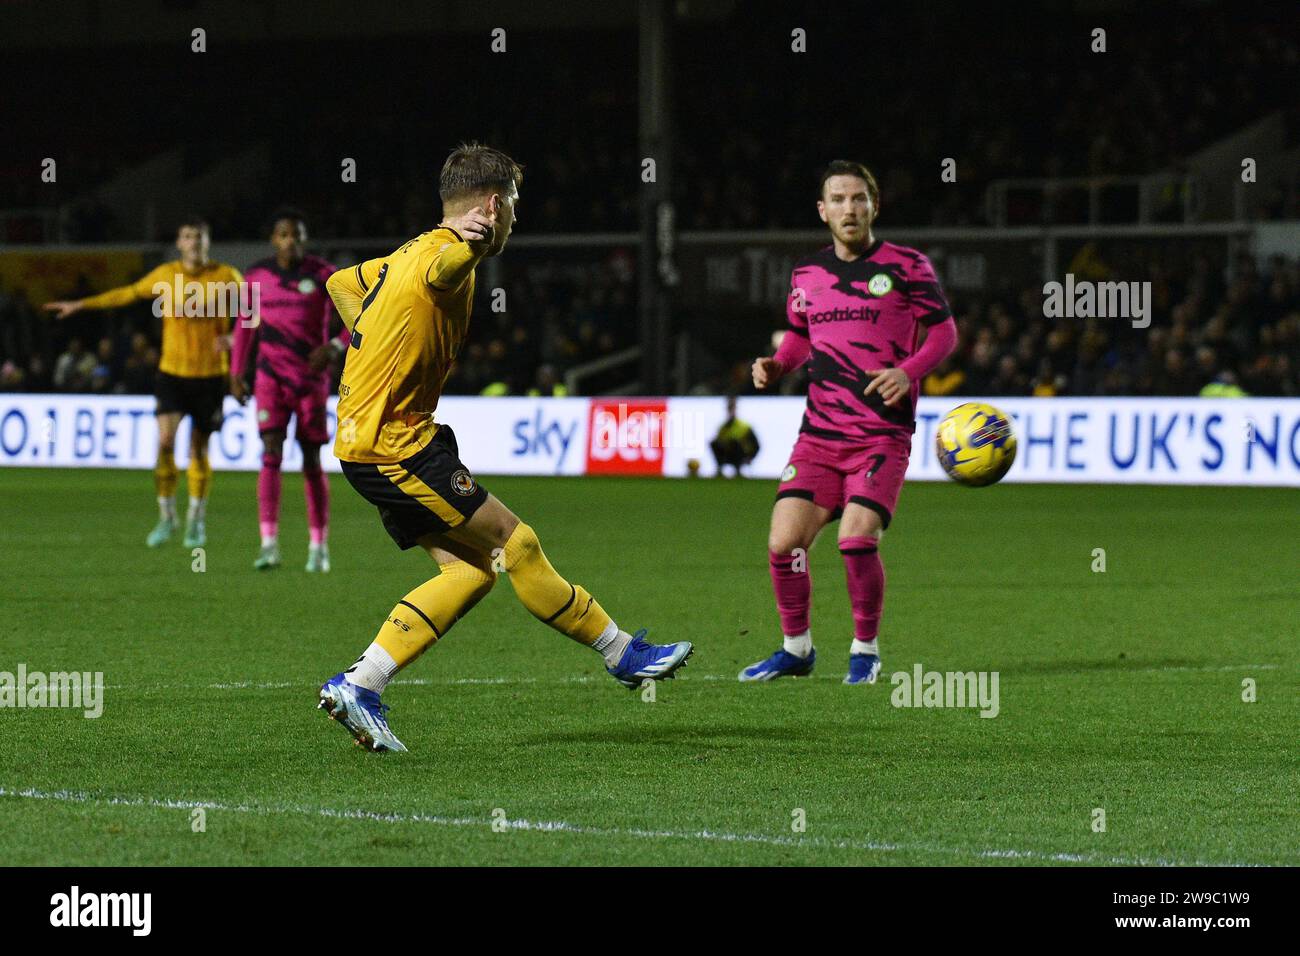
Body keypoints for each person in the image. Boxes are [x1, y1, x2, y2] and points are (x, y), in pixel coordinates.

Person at [317, 143, 692, 752]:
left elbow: (339, 283)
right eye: (513, 206)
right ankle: (622, 653)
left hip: (377, 441)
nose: (514, 220)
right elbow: (441, 275)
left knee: (471, 571)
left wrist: (373, 340)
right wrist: (470, 246)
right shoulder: (444, 257)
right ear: (493, 205)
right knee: (514, 542)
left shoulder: (405, 254)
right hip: (394, 447)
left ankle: (361, 684)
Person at [744, 161, 957, 686]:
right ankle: (796, 649)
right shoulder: (806, 274)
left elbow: (944, 335)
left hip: (881, 435)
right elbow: (798, 337)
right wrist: (778, 364)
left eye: (859, 198)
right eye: (838, 199)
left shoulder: (907, 266)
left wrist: (908, 373)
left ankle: (865, 648)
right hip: (819, 436)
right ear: (823, 211)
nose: (849, 208)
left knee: (857, 540)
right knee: (783, 544)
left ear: (874, 206)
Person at [45, 218, 241, 548]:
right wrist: (82, 304)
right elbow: (127, 294)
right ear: (179, 243)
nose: (193, 242)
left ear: (208, 242)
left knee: (198, 449)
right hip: (172, 373)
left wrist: (235, 339)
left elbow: (253, 317)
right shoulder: (166, 275)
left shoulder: (228, 277)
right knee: (165, 442)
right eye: (188, 236)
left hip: (210, 376)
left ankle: (196, 520)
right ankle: (167, 517)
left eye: (199, 237)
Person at [231, 208, 348, 572]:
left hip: (310, 380)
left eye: (297, 234)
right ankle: (268, 544)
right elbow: (244, 327)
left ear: (304, 239)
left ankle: (319, 547)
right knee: (270, 451)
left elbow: (358, 317)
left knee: (312, 459)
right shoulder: (256, 277)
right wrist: (236, 372)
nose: (291, 241)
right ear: (273, 240)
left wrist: (333, 348)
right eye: (284, 235)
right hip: (270, 377)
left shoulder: (325, 275)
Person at [709, 395, 760, 477]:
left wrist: (750, 457)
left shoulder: (744, 426)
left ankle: (738, 469)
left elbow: (757, 445)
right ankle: (720, 468)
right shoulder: (723, 427)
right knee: (714, 442)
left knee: (734, 442)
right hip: (727, 455)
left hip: (741, 455)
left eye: (732, 408)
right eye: (729, 408)